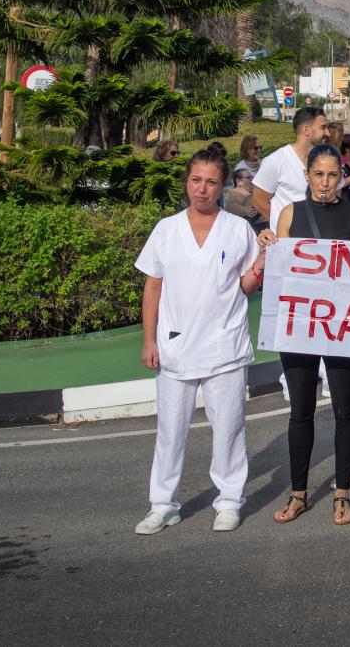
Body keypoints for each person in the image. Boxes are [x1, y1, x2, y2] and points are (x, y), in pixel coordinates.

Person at [134, 149, 264, 535]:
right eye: (195, 180)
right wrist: (148, 340)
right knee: (170, 433)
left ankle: (228, 501)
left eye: (210, 182)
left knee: (228, 429)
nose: (202, 189)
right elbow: (152, 287)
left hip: (224, 346)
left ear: (222, 185)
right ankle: (163, 504)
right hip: (174, 346)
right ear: (186, 183)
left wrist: (261, 265)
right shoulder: (166, 229)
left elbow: (244, 287)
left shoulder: (238, 230)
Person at [256, 144, 350, 527]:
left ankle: (342, 495)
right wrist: (267, 247)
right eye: (318, 175)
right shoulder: (290, 213)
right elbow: (275, 271)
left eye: (333, 175)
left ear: (342, 175)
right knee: (300, 410)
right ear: (306, 176)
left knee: (344, 409)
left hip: (341, 327)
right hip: (299, 326)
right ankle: (298, 493)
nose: (325, 183)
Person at [252, 105, 327, 235]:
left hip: (320, 240)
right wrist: (284, 226)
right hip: (287, 246)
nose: (327, 133)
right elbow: (258, 200)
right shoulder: (276, 160)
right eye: (323, 127)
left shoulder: (327, 160)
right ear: (306, 130)